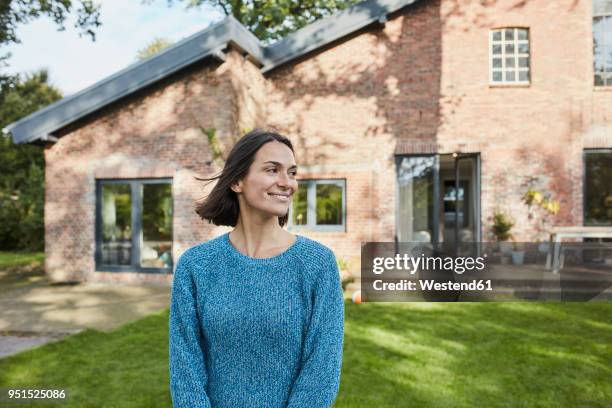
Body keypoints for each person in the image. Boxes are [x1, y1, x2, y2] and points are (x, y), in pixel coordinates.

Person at [169, 128, 345, 407]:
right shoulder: (197, 265)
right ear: (238, 180)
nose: (287, 183)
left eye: (292, 172)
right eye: (273, 170)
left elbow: (321, 369)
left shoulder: (317, 264)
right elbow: (185, 366)